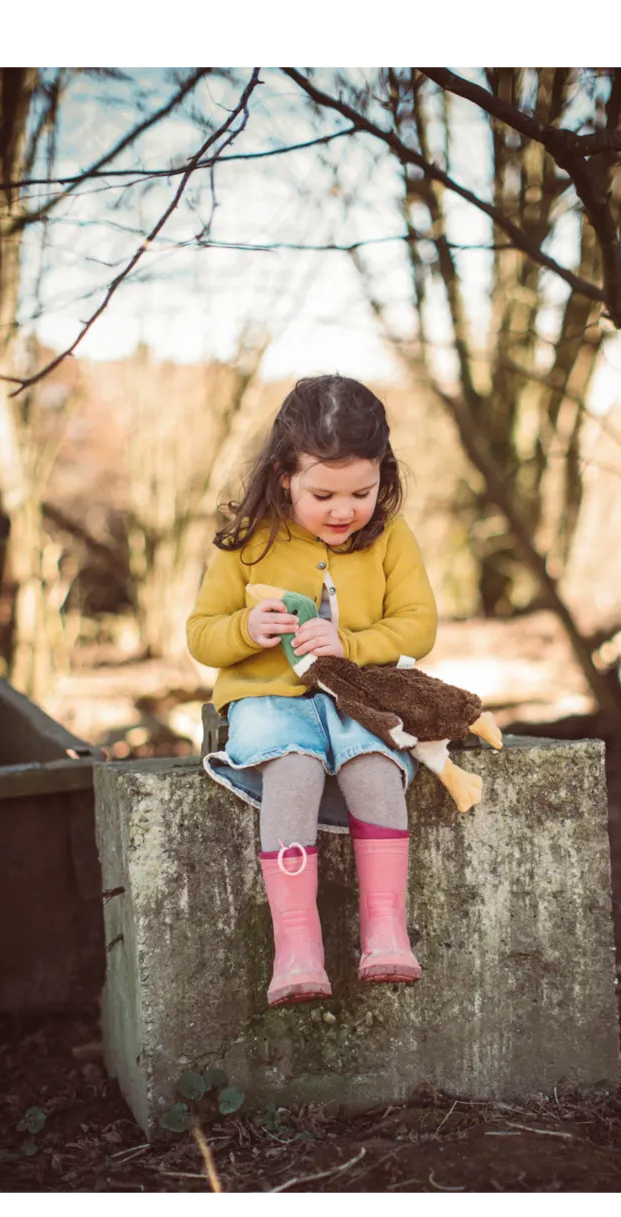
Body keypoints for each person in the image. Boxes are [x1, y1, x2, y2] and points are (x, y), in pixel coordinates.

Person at [187, 375, 438, 1008]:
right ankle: (296, 946)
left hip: (355, 693)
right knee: (293, 770)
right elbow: (201, 634)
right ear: (283, 478)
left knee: (378, 764)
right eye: (322, 493)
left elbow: (418, 624)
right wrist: (245, 628)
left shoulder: (390, 539)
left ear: (384, 475)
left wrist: (351, 642)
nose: (343, 509)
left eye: (363, 491)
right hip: (268, 699)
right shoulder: (248, 544)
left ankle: (385, 931)